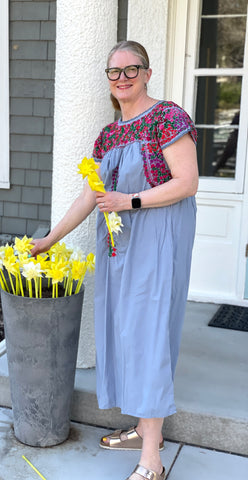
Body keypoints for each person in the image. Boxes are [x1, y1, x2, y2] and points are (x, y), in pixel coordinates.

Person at [31, 40, 198, 480]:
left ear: (147, 73)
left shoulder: (169, 117)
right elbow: (91, 194)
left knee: (149, 337)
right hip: (118, 248)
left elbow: (187, 181)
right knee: (126, 335)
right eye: (114, 71)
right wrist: (50, 238)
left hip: (158, 243)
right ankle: (148, 431)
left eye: (131, 69)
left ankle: (151, 461)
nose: (122, 77)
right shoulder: (108, 134)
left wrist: (131, 200)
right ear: (108, 79)